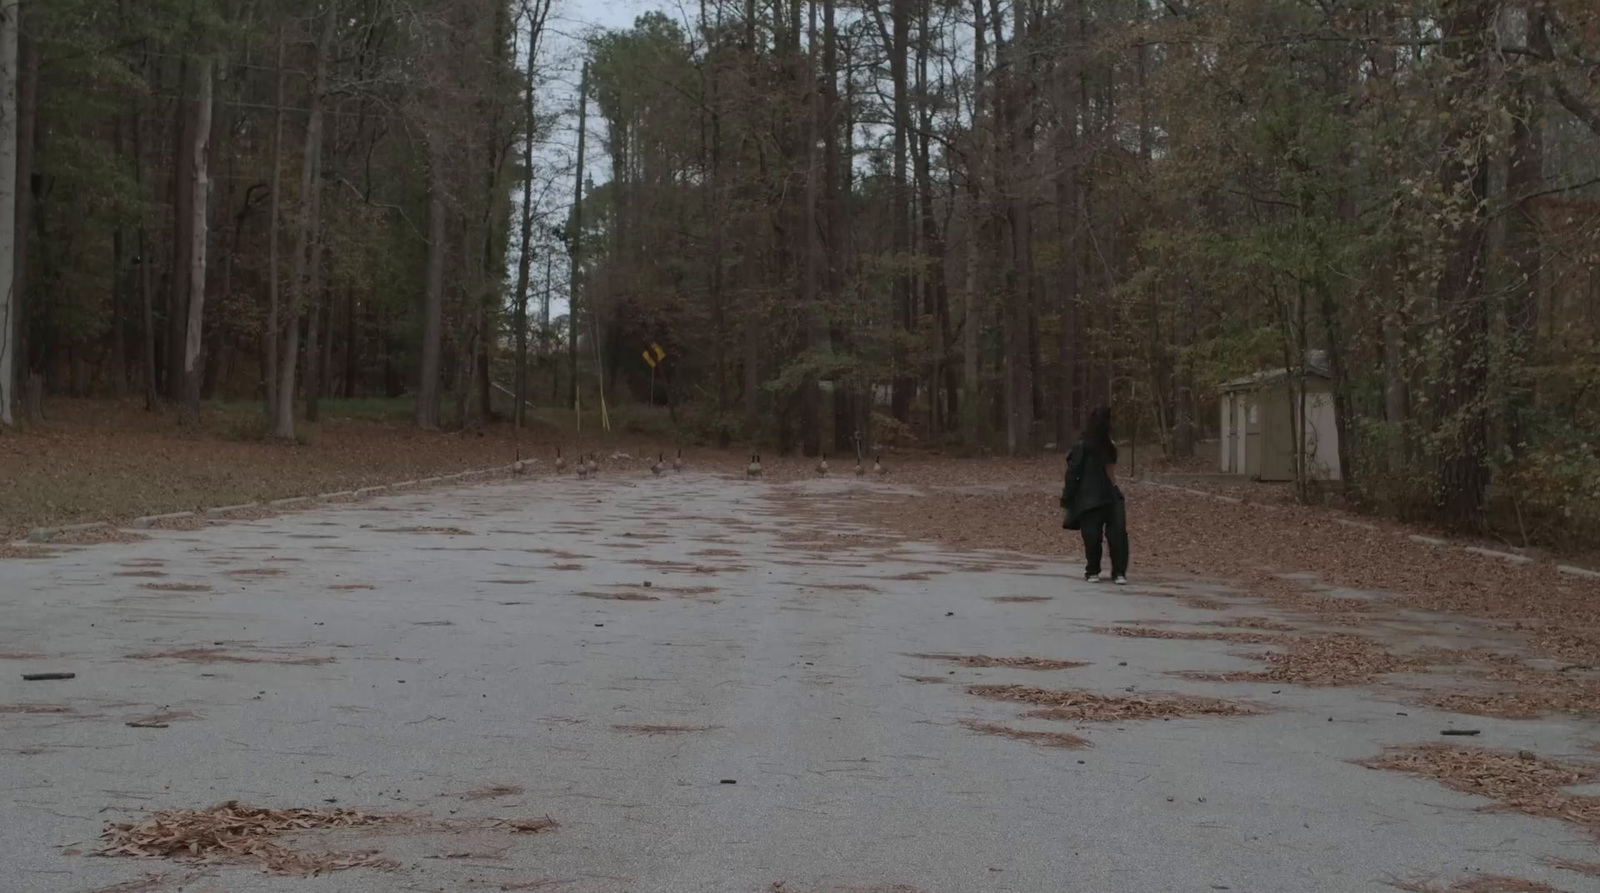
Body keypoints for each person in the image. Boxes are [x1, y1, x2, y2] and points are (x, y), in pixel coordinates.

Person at [1060, 406, 1129, 584]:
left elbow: (1073, 474)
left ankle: (1092, 571)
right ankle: (1119, 572)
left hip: (1088, 497)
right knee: (1117, 535)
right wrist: (1116, 490)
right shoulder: (1109, 445)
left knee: (1092, 535)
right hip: (1108, 495)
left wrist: (1068, 497)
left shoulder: (1081, 446)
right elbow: (1111, 473)